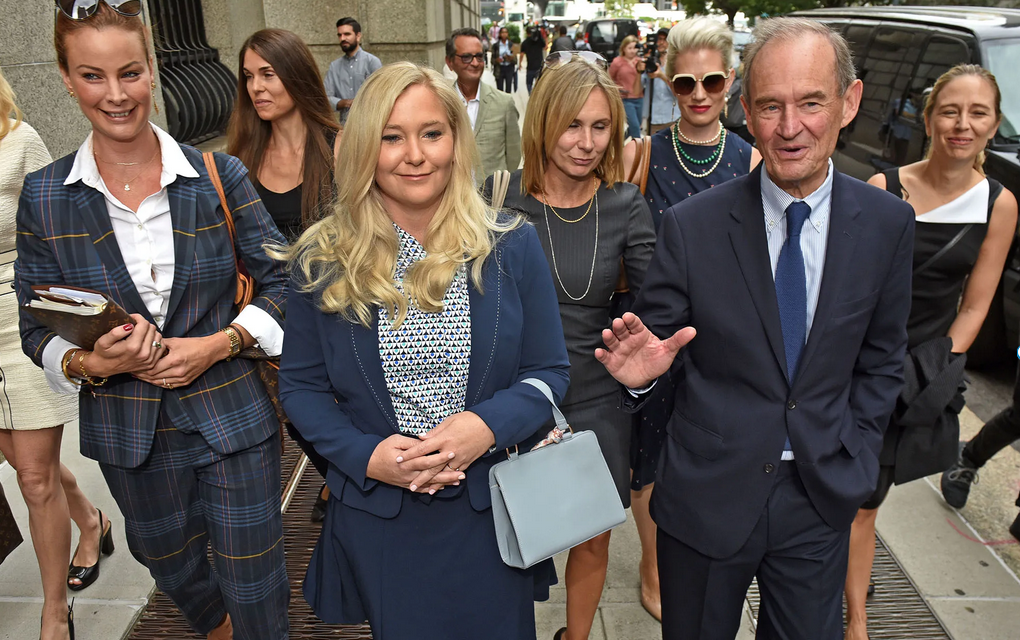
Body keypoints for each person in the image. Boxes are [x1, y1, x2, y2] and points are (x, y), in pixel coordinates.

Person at [596, 18, 915, 640]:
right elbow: (655, 353)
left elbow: (882, 357)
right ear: (747, 110)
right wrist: (640, 382)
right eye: (770, 106)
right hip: (707, 496)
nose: (790, 127)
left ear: (849, 102)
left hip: (819, 496)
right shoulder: (692, 226)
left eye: (811, 103)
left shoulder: (887, 224)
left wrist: (855, 453)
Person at [16, 4, 290, 639]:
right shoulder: (47, 195)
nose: (116, 95)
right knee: (171, 568)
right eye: (93, 76)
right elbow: (36, 327)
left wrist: (221, 343)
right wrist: (89, 362)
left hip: (232, 418)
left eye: (130, 73)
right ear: (66, 78)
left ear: (152, 71)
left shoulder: (217, 176)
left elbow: (284, 284)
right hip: (126, 429)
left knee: (255, 583)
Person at [276, 61, 570, 640]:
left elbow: (549, 371)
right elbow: (302, 389)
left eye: (431, 133)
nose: (415, 155)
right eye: (392, 137)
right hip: (385, 516)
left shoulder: (510, 244)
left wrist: (485, 427)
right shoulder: (323, 259)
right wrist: (367, 457)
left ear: (456, 140)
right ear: (365, 147)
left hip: (491, 507)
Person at [488, 51, 656, 640]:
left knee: (591, 535)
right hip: (513, 395)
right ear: (542, 123)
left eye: (600, 126)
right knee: (509, 533)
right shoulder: (497, 197)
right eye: (571, 125)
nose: (586, 143)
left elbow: (657, 305)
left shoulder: (624, 205)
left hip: (596, 393)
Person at [846, 64, 1017, 640]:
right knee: (839, 489)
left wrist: (929, 367)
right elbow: (850, 290)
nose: (962, 124)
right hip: (856, 362)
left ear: (993, 124)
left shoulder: (999, 205)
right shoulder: (885, 187)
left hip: (915, 374)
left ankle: (855, 620)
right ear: (928, 119)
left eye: (978, 113)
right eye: (950, 111)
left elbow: (975, 306)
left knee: (866, 500)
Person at [621, 17, 762, 621]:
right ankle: (653, 566)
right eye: (685, 82)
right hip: (652, 329)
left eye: (712, 81)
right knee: (648, 456)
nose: (699, 94)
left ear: (730, 81)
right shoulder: (641, 153)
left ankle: (703, 549)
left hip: (719, 333)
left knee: (709, 448)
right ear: (667, 83)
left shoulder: (752, 159)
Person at [0, 64, 112, 640]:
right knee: (21, 461)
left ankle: (52, 612)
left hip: (16, 312)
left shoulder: (18, 139)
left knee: (34, 477)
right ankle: (90, 519)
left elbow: (57, 223)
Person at [226, 27, 341, 522]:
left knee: (346, 408)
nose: (257, 87)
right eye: (249, 76)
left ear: (296, 74)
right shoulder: (240, 160)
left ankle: (342, 479)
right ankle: (340, 475)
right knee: (295, 411)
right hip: (275, 315)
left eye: (268, 74)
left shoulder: (339, 147)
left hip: (337, 306)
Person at [446, 28, 522, 179]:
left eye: (479, 56)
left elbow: (514, 156)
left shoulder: (504, 103)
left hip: (493, 192)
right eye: (466, 57)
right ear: (450, 62)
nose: (475, 63)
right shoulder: (442, 102)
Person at [325, 16, 382, 125]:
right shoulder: (334, 66)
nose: (342, 38)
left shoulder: (372, 62)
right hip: (345, 126)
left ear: (358, 36)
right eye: (339, 35)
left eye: (347, 34)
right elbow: (325, 98)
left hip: (369, 125)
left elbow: (381, 95)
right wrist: (344, 103)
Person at [609, 35, 645, 139]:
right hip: (625, 99)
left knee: (635, 125)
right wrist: (618, 89)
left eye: (635, 48)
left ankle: (618, 142)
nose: (632, 51)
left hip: (639, 97)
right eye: (630, 48)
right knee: (635, 127)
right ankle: (638, 147)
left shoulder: (639, 61)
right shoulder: (617, 62)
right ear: (624, 48)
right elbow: (609, 79)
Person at [642, 28, 675, 135]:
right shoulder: (651, 61)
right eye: (659, 39)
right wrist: (639, 70)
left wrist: (661, 75)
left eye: (664, 40)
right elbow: (638, 89)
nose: (661, 43)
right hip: (653, 118)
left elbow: (679, 90)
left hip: (672, 116)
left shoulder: (675, 63)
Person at [520, 26, 547, 94]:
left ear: (527, 33)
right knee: (539, 84)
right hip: (539, 66)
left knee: (529, 84)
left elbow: (522, 54)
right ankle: (537, 96)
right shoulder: (539, 41)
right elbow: (545, 47)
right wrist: (543, 36)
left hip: (530, 66)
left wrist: (520, 64)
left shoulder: (525, 42)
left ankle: (531, 95)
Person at [493, 27, 517, 94]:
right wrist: (497, 60)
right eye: (502, 32)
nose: (504, 34)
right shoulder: (496, 46)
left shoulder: (511, 45)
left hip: (509, 68)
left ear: (507, 34)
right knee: (499, 90)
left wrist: (509, 58)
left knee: (508, 89)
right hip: (499, 69)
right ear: (500, 34)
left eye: (505, 32)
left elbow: (515, 60)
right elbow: (492, 60)